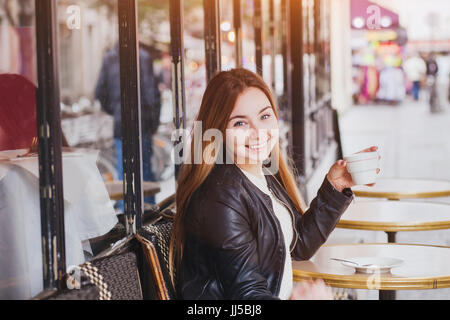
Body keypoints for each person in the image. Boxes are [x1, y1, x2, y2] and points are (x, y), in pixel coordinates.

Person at [169, 68, 380, 300]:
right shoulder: (220, 196)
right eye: (240, 123)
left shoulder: (259, 173)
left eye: (265, 116)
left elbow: (298, 247)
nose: (258, 132)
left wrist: (335, 186)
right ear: (217, 131)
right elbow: (248, 296)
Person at [95, 43, 161, 208]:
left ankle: (128, 217)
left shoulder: (109, 58)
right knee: (144, 171)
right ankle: (150, 218)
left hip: (121, 124)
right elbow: (151, 94)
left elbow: (99, 92)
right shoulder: (143, 57)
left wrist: (116, 111)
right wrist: (153, 122)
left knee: (125, 173)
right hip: (142, 123)